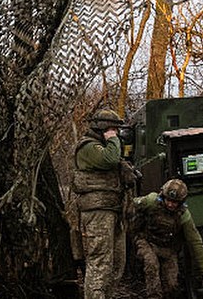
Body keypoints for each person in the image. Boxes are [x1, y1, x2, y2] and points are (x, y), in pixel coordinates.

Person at [72, 108, 132, 299]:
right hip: (97, 212)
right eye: (113, 128)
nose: (116, 132)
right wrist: (113, 139)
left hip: (113, 210)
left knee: (116, 263)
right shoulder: (88, 146)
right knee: (100, 264)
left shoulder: (102, 146)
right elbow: (110, 159)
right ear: (103, 128)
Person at [131, 179, 203, 298]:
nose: (170, 204)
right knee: (151, 264)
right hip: (146, 241)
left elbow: (195, 243)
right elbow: (131, 205)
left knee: (172, 285)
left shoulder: (184, 216)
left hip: (168, 249)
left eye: (174, 202)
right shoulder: (151, 201)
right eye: (168, 200)